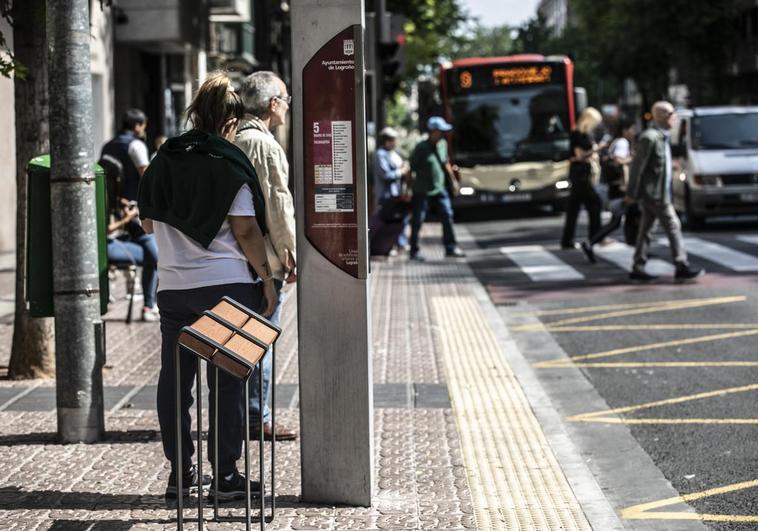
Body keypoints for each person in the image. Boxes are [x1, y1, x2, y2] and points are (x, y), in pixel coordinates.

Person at [138, 72, 277, 500]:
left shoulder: (164, 159)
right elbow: (247, 231)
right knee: (228, 382)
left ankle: (181, 473)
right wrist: (268, 280)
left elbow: (147, 221)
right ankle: (227, 476)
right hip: (227, 288)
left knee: (175, 383)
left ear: (195, 114)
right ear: (230, 123)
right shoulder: (226, 163)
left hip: (175, 288)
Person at [235, 71, 297, 442]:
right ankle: (259, 416)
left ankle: (244, 412)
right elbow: (277, 202)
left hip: (234, 255)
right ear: (273, 104)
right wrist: (290, 252)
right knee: (262, 336)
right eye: (285, 100)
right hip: (263, 257)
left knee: (243, 337)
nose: (287, 106)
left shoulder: (234, 137)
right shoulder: (264, 145)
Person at [626, 101, 703, 282]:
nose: (674, 117)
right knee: (673, 226)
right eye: (670, 114)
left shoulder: (662, 137)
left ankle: (638, 266)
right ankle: (681, 264)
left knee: (646, 230)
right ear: (659, 117)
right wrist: (632, 193)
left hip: (659, 193)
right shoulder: (650, 138)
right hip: (655, 195)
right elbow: (637, 167)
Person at [408, 116, 465, 261]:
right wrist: (408, 189)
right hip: (422, 190)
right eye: (441, 131)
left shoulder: (442, 144)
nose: (443, 134)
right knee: (418, 220)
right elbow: (411, 169)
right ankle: (413, 251)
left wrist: (453, 181)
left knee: (447, 215)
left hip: (440, 188)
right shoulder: (421, 147)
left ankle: (450, 248)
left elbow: (446, 163)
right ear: (433, 131)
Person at [580, 118, 636, 263]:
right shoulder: (622, 143)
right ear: (625, 130)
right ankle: (590, 243)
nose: (633, 132)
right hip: (620, 187)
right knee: (624, 218)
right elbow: (619, 161)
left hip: (615, 187)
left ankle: (637, 248)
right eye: (631, 129)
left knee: (618, 220)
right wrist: (632, 159)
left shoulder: (616, 142)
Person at [105, 197, 159, 321]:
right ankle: (149, 306)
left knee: (154, 257)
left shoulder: (122, 203)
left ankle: (150, 305)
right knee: (154, 257)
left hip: (132, 239)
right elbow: (108, 229)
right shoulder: (108, 204)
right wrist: (127, 218)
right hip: (112, 244)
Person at [560, 107, 604, 249]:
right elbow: (579, 155)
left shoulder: (585, 134)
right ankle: (595, 236)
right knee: (595, 203)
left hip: (582, 173)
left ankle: (568, 240)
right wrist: (597, 149)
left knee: (574, 207)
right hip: (580, 174)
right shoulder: (577, 134)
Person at [374, 126, 411, 253]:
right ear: (386, 141)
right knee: (388, 221)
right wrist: (400, 172)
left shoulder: (394, 153)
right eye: (393, 140)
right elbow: (385, 175)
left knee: (400, 219)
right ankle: (389, 246)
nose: (395, 143)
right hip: (386, 195)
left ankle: (400, 243)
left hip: (396, 193)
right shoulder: (380, 155)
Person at [101, 108, 150, 201]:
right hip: (132, 204)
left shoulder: (107, 145)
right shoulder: (136, 145)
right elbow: (146, 177)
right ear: (137, 126)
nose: (145, 129)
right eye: (144, 125)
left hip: (112, 203)